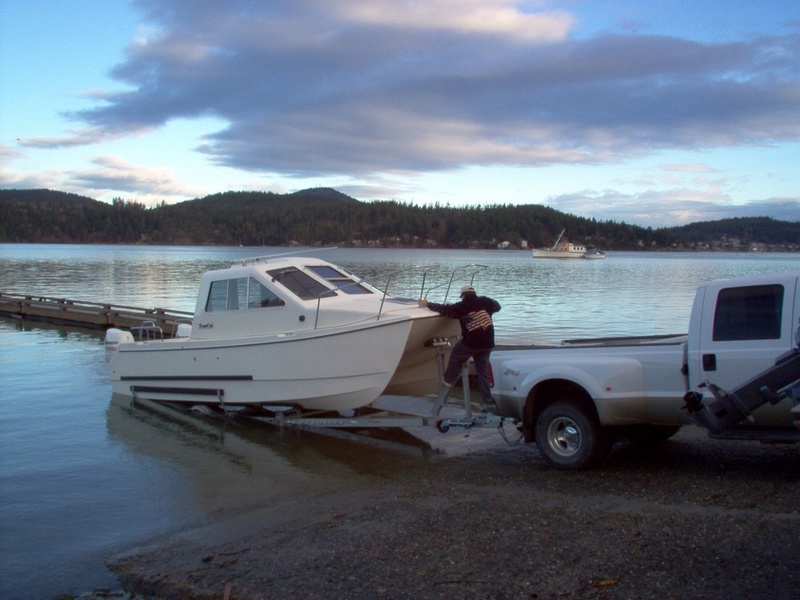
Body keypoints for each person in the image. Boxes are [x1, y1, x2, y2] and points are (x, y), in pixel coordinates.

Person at [419, 285, 501, 412]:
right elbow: (497, 306)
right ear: (474, 293)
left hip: (472, 344)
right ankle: (488, 402)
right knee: (482, 373)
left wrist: (427, 304)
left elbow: (445, 310)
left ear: (463, 296)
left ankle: (448, 379)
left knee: (456, 355)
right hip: (488, 344)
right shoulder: (485, 301)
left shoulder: (461, 306)